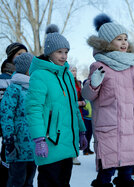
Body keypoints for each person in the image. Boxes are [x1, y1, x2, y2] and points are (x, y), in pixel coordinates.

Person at [81, 14, 134, 187]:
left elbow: (133, 97)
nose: (124, 42)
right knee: (106, 171)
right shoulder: (98, 66)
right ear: (108, 43)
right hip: (108, 126)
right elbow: (88, 95)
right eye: (119, 39)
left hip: (128, 126)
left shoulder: (132, 66)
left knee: (126, 173)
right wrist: (93, 84)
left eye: (125, 39)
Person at [25, 24, 87, 187]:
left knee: (63, 182)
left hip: (68, 139)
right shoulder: (40, 75)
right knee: (49, 182)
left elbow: (73, 105)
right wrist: (39, 138)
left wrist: (81, 130)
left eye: (66, 52)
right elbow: (34, 109)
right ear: (49, 52)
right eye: (59, 52)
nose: (64, 56)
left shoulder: (66, 74)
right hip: (50, 140)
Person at [0, 52, 36, 187]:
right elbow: (6, 115)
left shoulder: (34, 88)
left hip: (33, 146)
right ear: (26, 69)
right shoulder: (14, 89)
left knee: (29, 180)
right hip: (18, 146)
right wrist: (9, 141)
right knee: (17, 180)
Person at [70, 65, 86, 164]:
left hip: (78, 112)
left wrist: (83, 103)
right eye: (72, 70)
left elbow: (83, 97)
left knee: (77, 133)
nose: (74, 72)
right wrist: (78, 103)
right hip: (68, 111)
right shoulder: (65, 82)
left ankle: (75, 156)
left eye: (75, 70)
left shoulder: (79, 83)